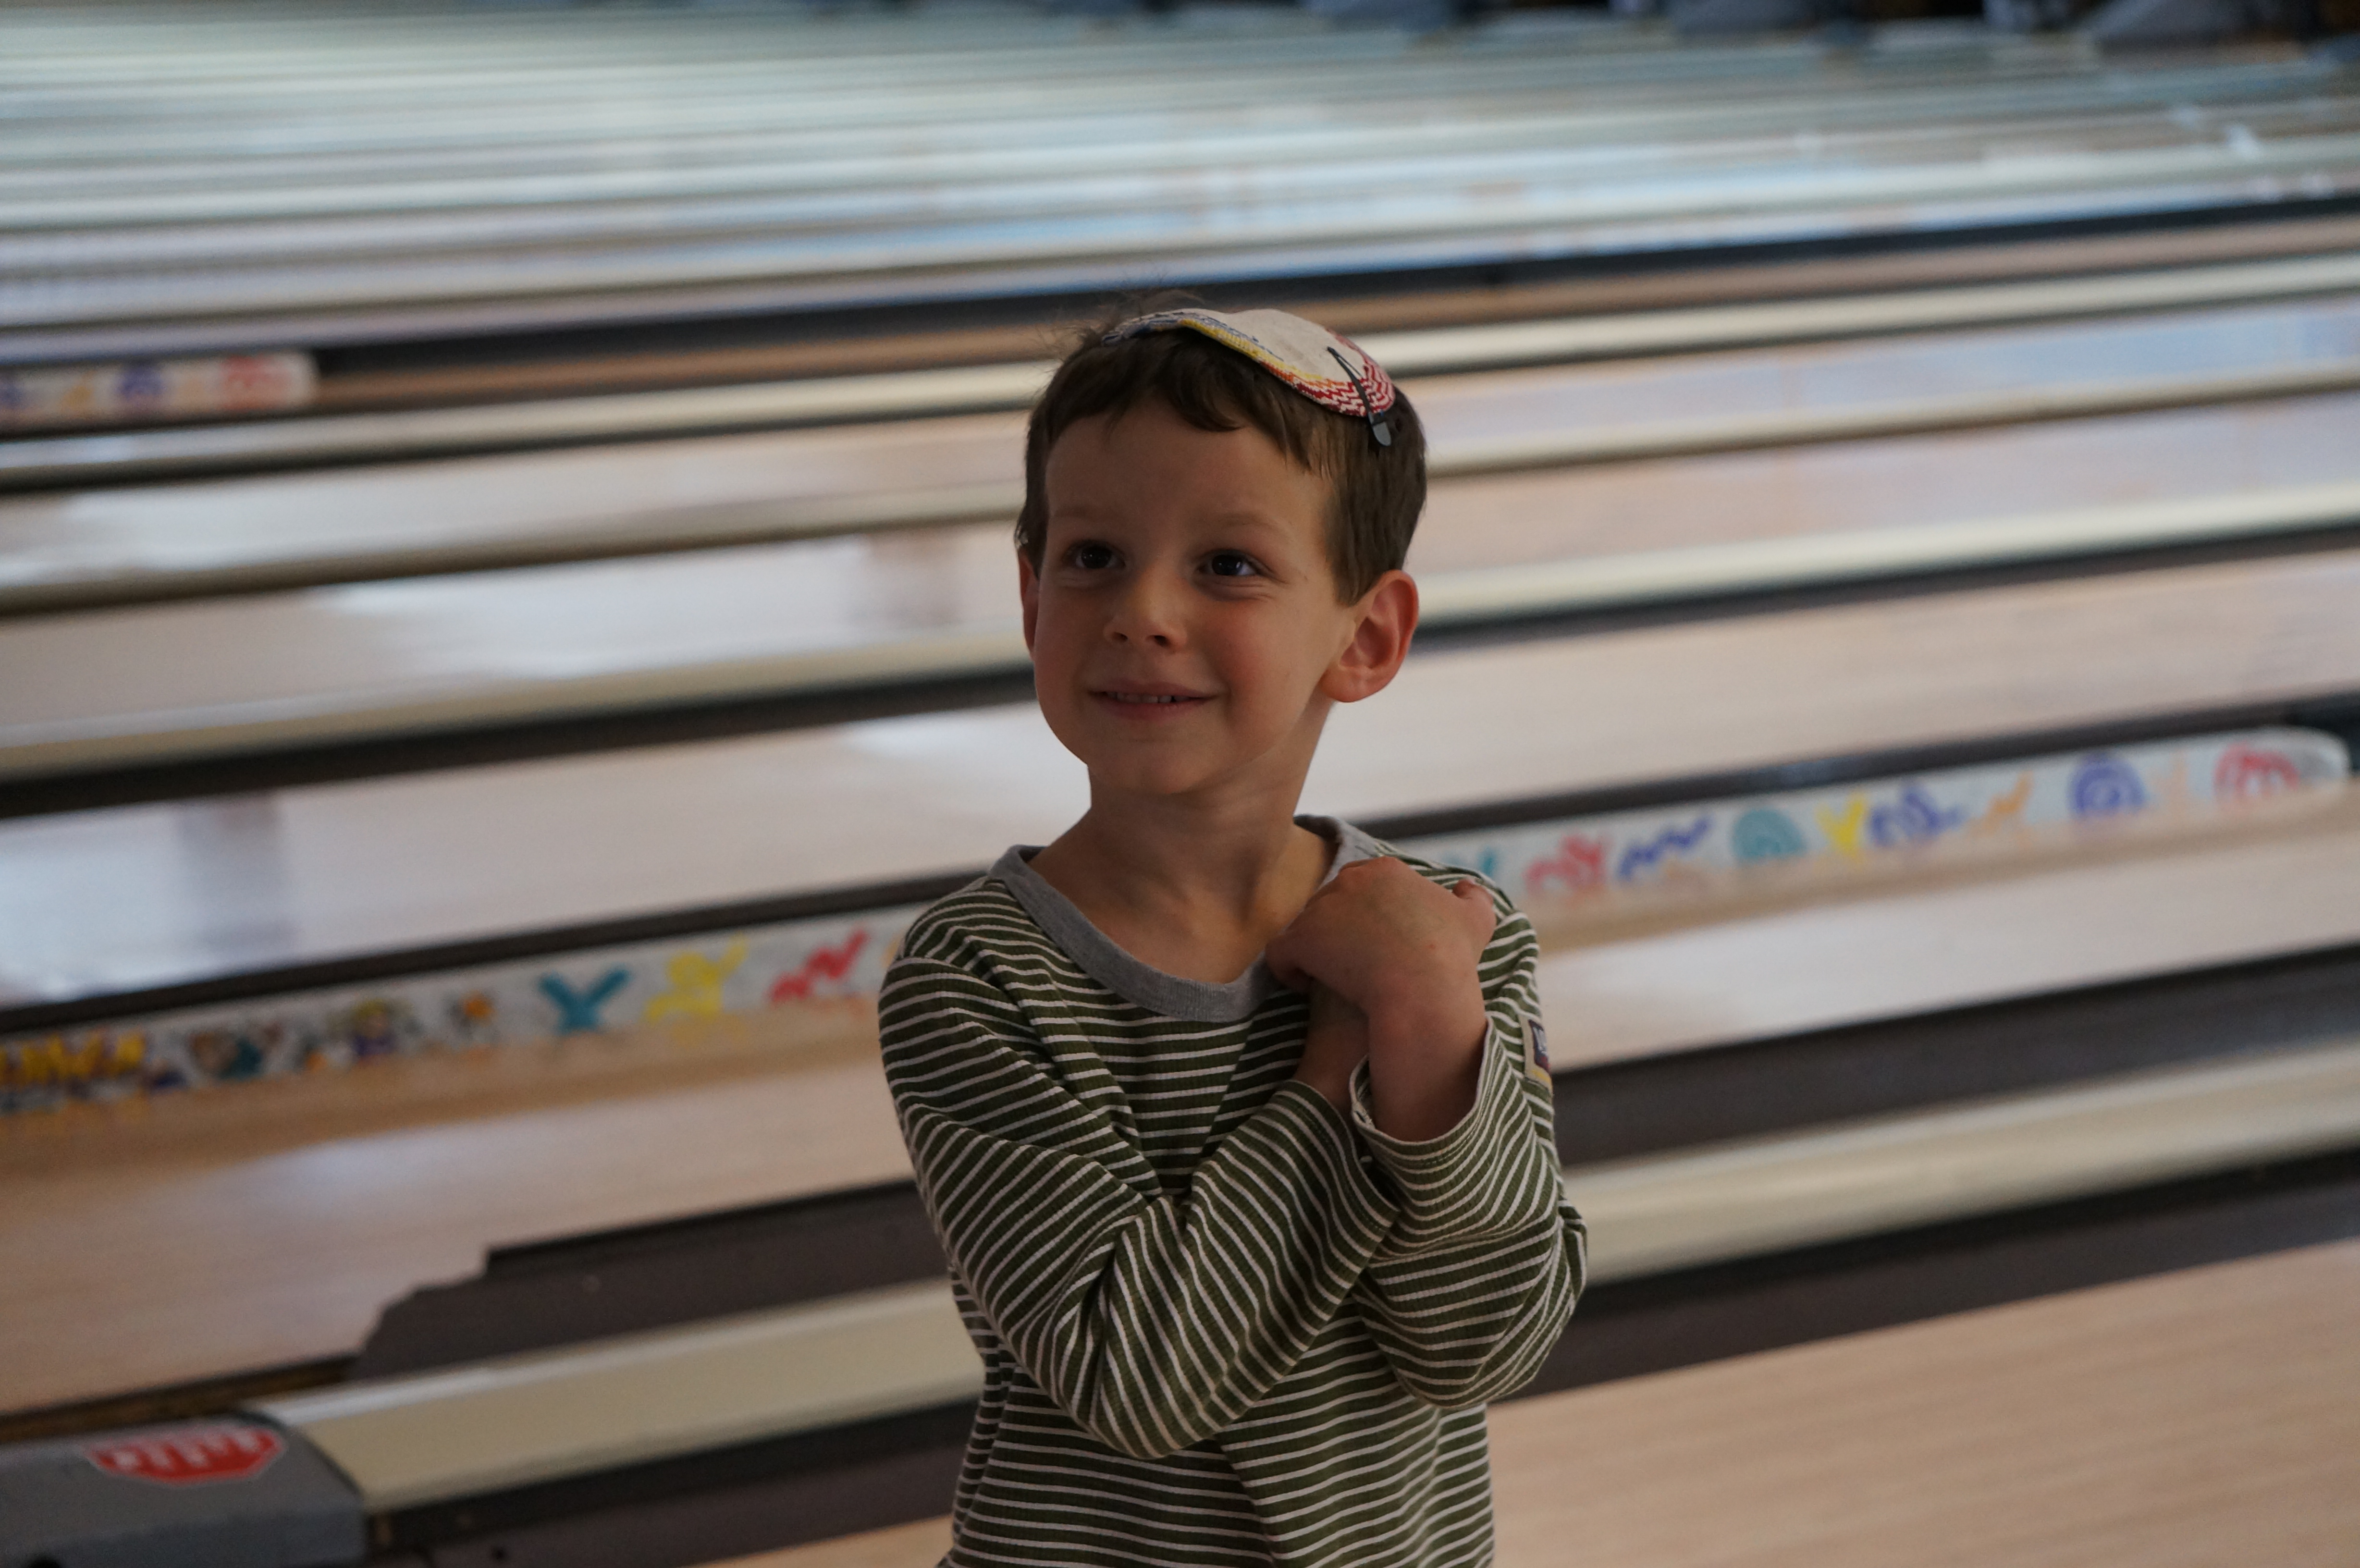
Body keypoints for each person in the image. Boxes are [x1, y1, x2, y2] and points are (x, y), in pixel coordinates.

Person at [878, 303, 1585, 1568]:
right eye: (1095, 555)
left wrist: (1434, 1032)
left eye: (1228, 566)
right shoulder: (980, 979)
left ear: (1364, 638)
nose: (1142, 610)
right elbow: (1136, 1377)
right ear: (1031, 597)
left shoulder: (1459, 944)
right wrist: (1345, 1062)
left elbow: (1483, 1345)